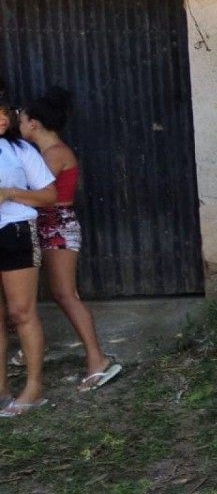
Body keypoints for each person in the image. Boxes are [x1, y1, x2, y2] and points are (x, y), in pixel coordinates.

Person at [19, 87, 121, 391]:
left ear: (34, 124)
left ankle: (97, 360)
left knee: (65, 294)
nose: (19, 126)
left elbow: (40, 194)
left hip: (58, 225)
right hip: (48, 226)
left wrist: (9, 192)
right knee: (50, 294)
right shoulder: (46, 152)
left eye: (22, 121)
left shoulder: (55, 154)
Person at [0, 97, 57, 418]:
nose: (3, 119)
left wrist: (10, 193)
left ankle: (33, 389)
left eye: (4, 112)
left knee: (21, 312)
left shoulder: (20, 151)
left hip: (16, 232)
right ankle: (1, 390)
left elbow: (50, 195)